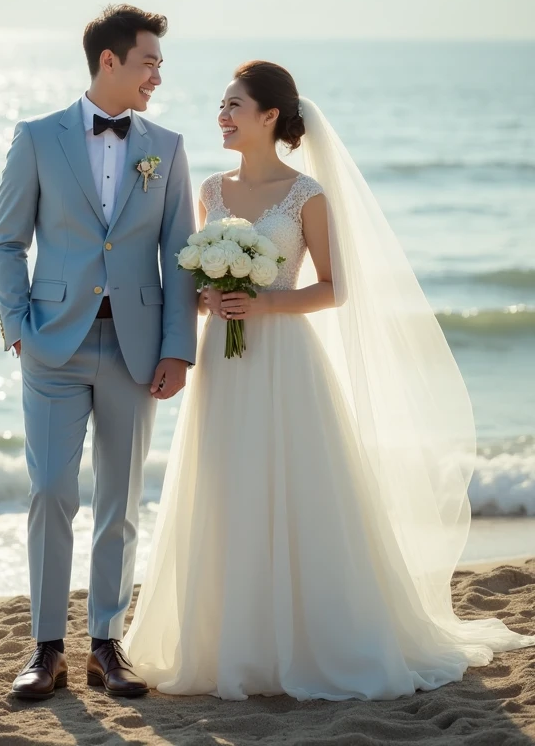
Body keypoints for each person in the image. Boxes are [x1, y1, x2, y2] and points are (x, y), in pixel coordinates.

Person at [124, 60, 535, 701]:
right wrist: (210, 298)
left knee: (297, 486)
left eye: (235, 105)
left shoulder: (306, 194)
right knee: (228, 485)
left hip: (287, 360)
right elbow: (195, 284)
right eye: (221, 106)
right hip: (225, 372)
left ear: (269, 117)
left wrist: (261, 303)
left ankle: (312, 637)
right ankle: (232, 641)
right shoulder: (210, 190)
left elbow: (335, 288)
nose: (223, 116)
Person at [0, 4, 197, 700]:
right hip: (53, 344)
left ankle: (106, 645)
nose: (157, 77)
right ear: (109, 61)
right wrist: (16, 321)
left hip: (136, 349)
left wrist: (178, 348)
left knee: (120, 499)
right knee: (51, 490)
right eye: (149, 63)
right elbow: (7, 240)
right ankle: (46, 648)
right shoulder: (38, 138)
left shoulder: (165, 147)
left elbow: (179, 255)